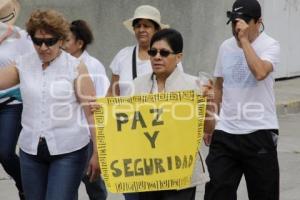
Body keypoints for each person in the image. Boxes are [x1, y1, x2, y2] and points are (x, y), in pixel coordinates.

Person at [0, 9, 100, 200]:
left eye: (50, 41)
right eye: (38, 41)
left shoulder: (76, 67)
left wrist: (98, 152)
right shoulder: (23, 64)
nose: (43, 47)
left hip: (69, 150)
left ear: (61, 40)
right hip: (31, 150)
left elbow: (91, 112)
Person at [204, 0, 280, 200]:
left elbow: (260, 72)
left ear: (258, 22)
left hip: (259, 131)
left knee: (264, 194)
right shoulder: (225, 47)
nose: (238, 27)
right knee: (216, 192)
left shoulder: (270, 45)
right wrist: (210, 123)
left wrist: (245, 41)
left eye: (245, 21)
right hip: (226, 132)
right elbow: (218, 85)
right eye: (234, 21)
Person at [128, 28, 214, 200]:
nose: (157, 57)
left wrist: (209, 104)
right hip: (147, 172)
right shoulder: (137, 85)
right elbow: (128, 126)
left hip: (181, 173)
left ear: (179, 57)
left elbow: (208, 128)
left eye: (164, 53)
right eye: (153, 52)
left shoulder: (194, 86)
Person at [64, 19, 109, 200]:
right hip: (66, 133)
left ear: (79, 43)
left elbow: (101, 99)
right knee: (67, 182)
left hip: (87, 133)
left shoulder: (93, 66)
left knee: (92, 180)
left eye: (66, 40)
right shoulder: (58, 63)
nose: (62, 44)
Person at [107, 5, 183, 97]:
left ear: (157, 30)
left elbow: (179, 90)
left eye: (146, 26)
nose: (141, 30)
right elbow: (113, 93)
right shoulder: (123, 55)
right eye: (138, 26)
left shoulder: (169, 57)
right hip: (126, 110)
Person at [0, 0, 34, 199]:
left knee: (4, 152)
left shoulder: (22, 37)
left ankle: (26, 187)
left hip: (12, 104)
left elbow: (32, 66)